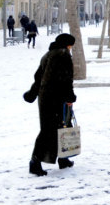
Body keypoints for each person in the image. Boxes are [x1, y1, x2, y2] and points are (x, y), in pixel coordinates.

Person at [24, 33, 77, 176]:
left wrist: (32, 94)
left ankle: (63, 159)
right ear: (67, 45)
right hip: (56, 98)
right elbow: (66, 79)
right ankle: (35, 162)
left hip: (45, 97)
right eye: (71, 45)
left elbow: (38, 77)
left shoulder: (48, 55)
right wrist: (70, 97)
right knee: (54, 129)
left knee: (56, 128)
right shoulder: (63, 55)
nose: (71, 48)